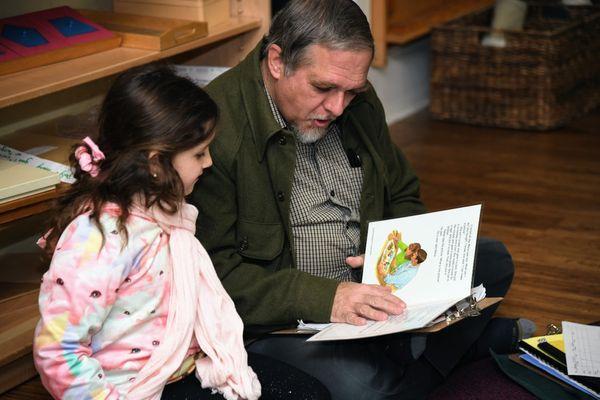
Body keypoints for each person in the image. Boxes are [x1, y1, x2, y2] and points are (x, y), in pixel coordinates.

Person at [192, 1, 534, 398]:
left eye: (351, 91)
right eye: (323, 88)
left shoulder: (358, 100)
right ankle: (444, 351)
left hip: (378, 289)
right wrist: (329, 298)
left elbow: (403, 191)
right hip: (288, 323)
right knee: (365, 388)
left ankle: (410, 352)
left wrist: (400, 253)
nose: (338, 107)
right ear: (276, 61)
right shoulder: (215, 131)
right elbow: (213, 278)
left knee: (493, 261)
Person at [33, 64, 330, 400]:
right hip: (133, 388)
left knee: (309, 393)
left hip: (183, 367)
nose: (208, 163)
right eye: (199, 154)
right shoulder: (98, 238)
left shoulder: (165, 214)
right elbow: (59, 352)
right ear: (156, 164)